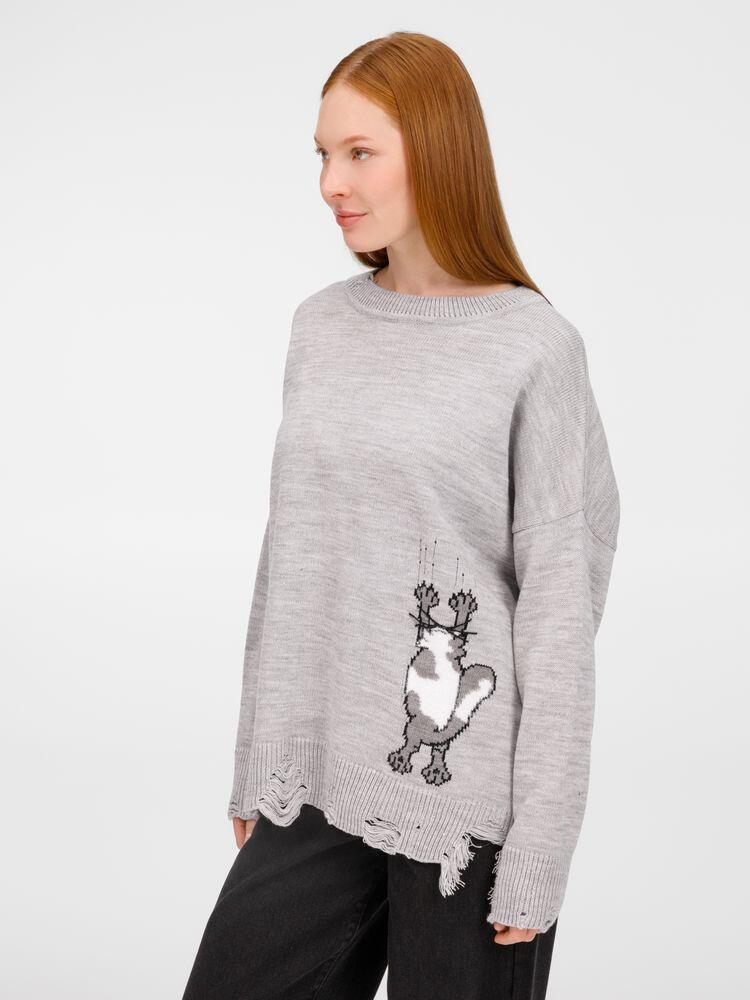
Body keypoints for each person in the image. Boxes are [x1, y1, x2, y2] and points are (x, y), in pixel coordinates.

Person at [181, 30, 620, 1000]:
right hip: (317, 781)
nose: (330, 183)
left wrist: (542, 844)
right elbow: (291, 560)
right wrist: (260, 757)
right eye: (321, 154)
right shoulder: (320, 326)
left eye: (359, 152)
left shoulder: (533, 347)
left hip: (467, 808)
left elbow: (559, 608)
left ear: (437, 151)